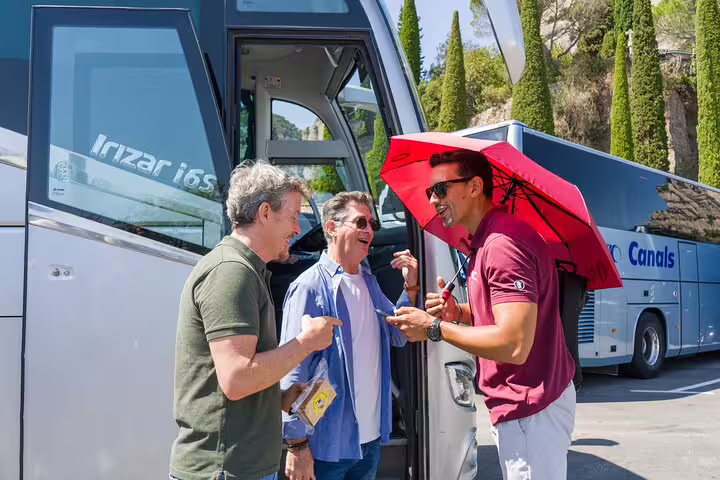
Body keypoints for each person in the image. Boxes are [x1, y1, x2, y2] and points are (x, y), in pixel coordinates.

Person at [387, 150, 576, 480]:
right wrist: (457, 312)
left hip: (531, 405)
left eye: (441, 189)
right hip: (523, 403)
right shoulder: (485, 242)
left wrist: (434, 327)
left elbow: (514, 343)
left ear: (474, 186)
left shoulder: (502, 245)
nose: (433, 200)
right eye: (431, 192)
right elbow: (501, 316)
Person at [169, 161, 341, 480]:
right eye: (292, 216)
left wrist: (277, 398)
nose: (298, 229)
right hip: (226, 471)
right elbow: (236, 379)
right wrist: (306, 343)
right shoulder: (231, 273)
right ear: (264, 213)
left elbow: (229, 382)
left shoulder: (244, 271)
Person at [279, 191, 419, 480]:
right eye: (360, 222)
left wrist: (411, 289)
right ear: (331, 228)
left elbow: (399, 335)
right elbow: (292, 372)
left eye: (372, 224)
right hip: (326, 446)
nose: (369, 230)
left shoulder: (368, 281)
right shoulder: (309, 287)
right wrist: (297, 444)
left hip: (368, 443)